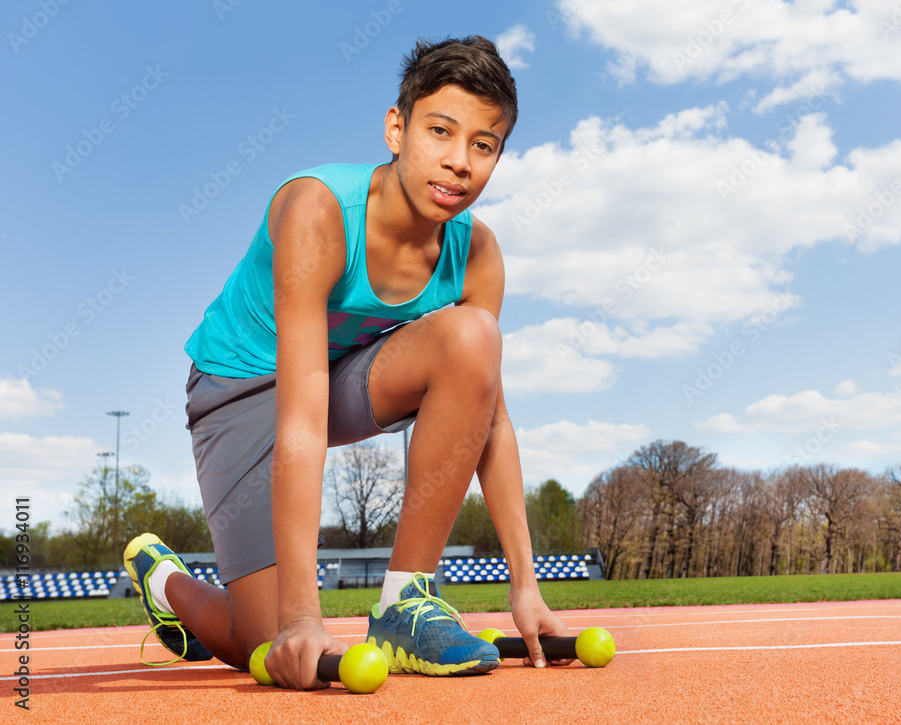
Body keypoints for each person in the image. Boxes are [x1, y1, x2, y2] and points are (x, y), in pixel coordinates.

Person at [123, 35, 571, 690]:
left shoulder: (477, 254)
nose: (458, 163)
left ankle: (405, 603)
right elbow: (299, 422)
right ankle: (167, 582)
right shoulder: (319, 212)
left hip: (344, 372)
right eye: (440, 132)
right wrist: (302, 616)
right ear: (397, 127)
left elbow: (491, 420)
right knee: (265, 639)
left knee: (474, 338)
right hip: (242, 387)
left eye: (484, 144)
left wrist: (525, 585)